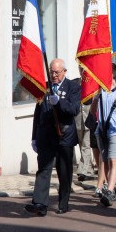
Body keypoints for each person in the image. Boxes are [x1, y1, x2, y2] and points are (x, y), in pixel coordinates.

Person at [25, 58, 81, 216]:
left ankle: (63, 202)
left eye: (57, 72)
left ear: (64, 72)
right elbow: (38, 113)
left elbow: (74, 109)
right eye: (51, 72)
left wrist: (59, 103)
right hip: (45, 135)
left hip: (64, 135)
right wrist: (34, 136)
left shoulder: (73, 87)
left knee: (64, 171)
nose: (54, 75)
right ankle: (40, 204)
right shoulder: (44, 87)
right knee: (43, 169)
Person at [90, 64, 116, 206]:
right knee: (105, 160)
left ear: (113, 75)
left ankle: (110, 190)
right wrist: (95, 97)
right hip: (101, 131)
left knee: (114, 160)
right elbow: (92, 112)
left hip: (115, 131)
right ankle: (110, 187)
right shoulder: (100, 92)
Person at [75, 67, 95, 182]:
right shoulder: (76, 83)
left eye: (84, 68)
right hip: (78, 118)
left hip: (88, 117)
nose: (82, 71)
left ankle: (82, 170)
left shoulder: (92, 83)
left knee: (86, 145)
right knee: (81, 144)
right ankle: (89, 168)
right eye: (81, 68)